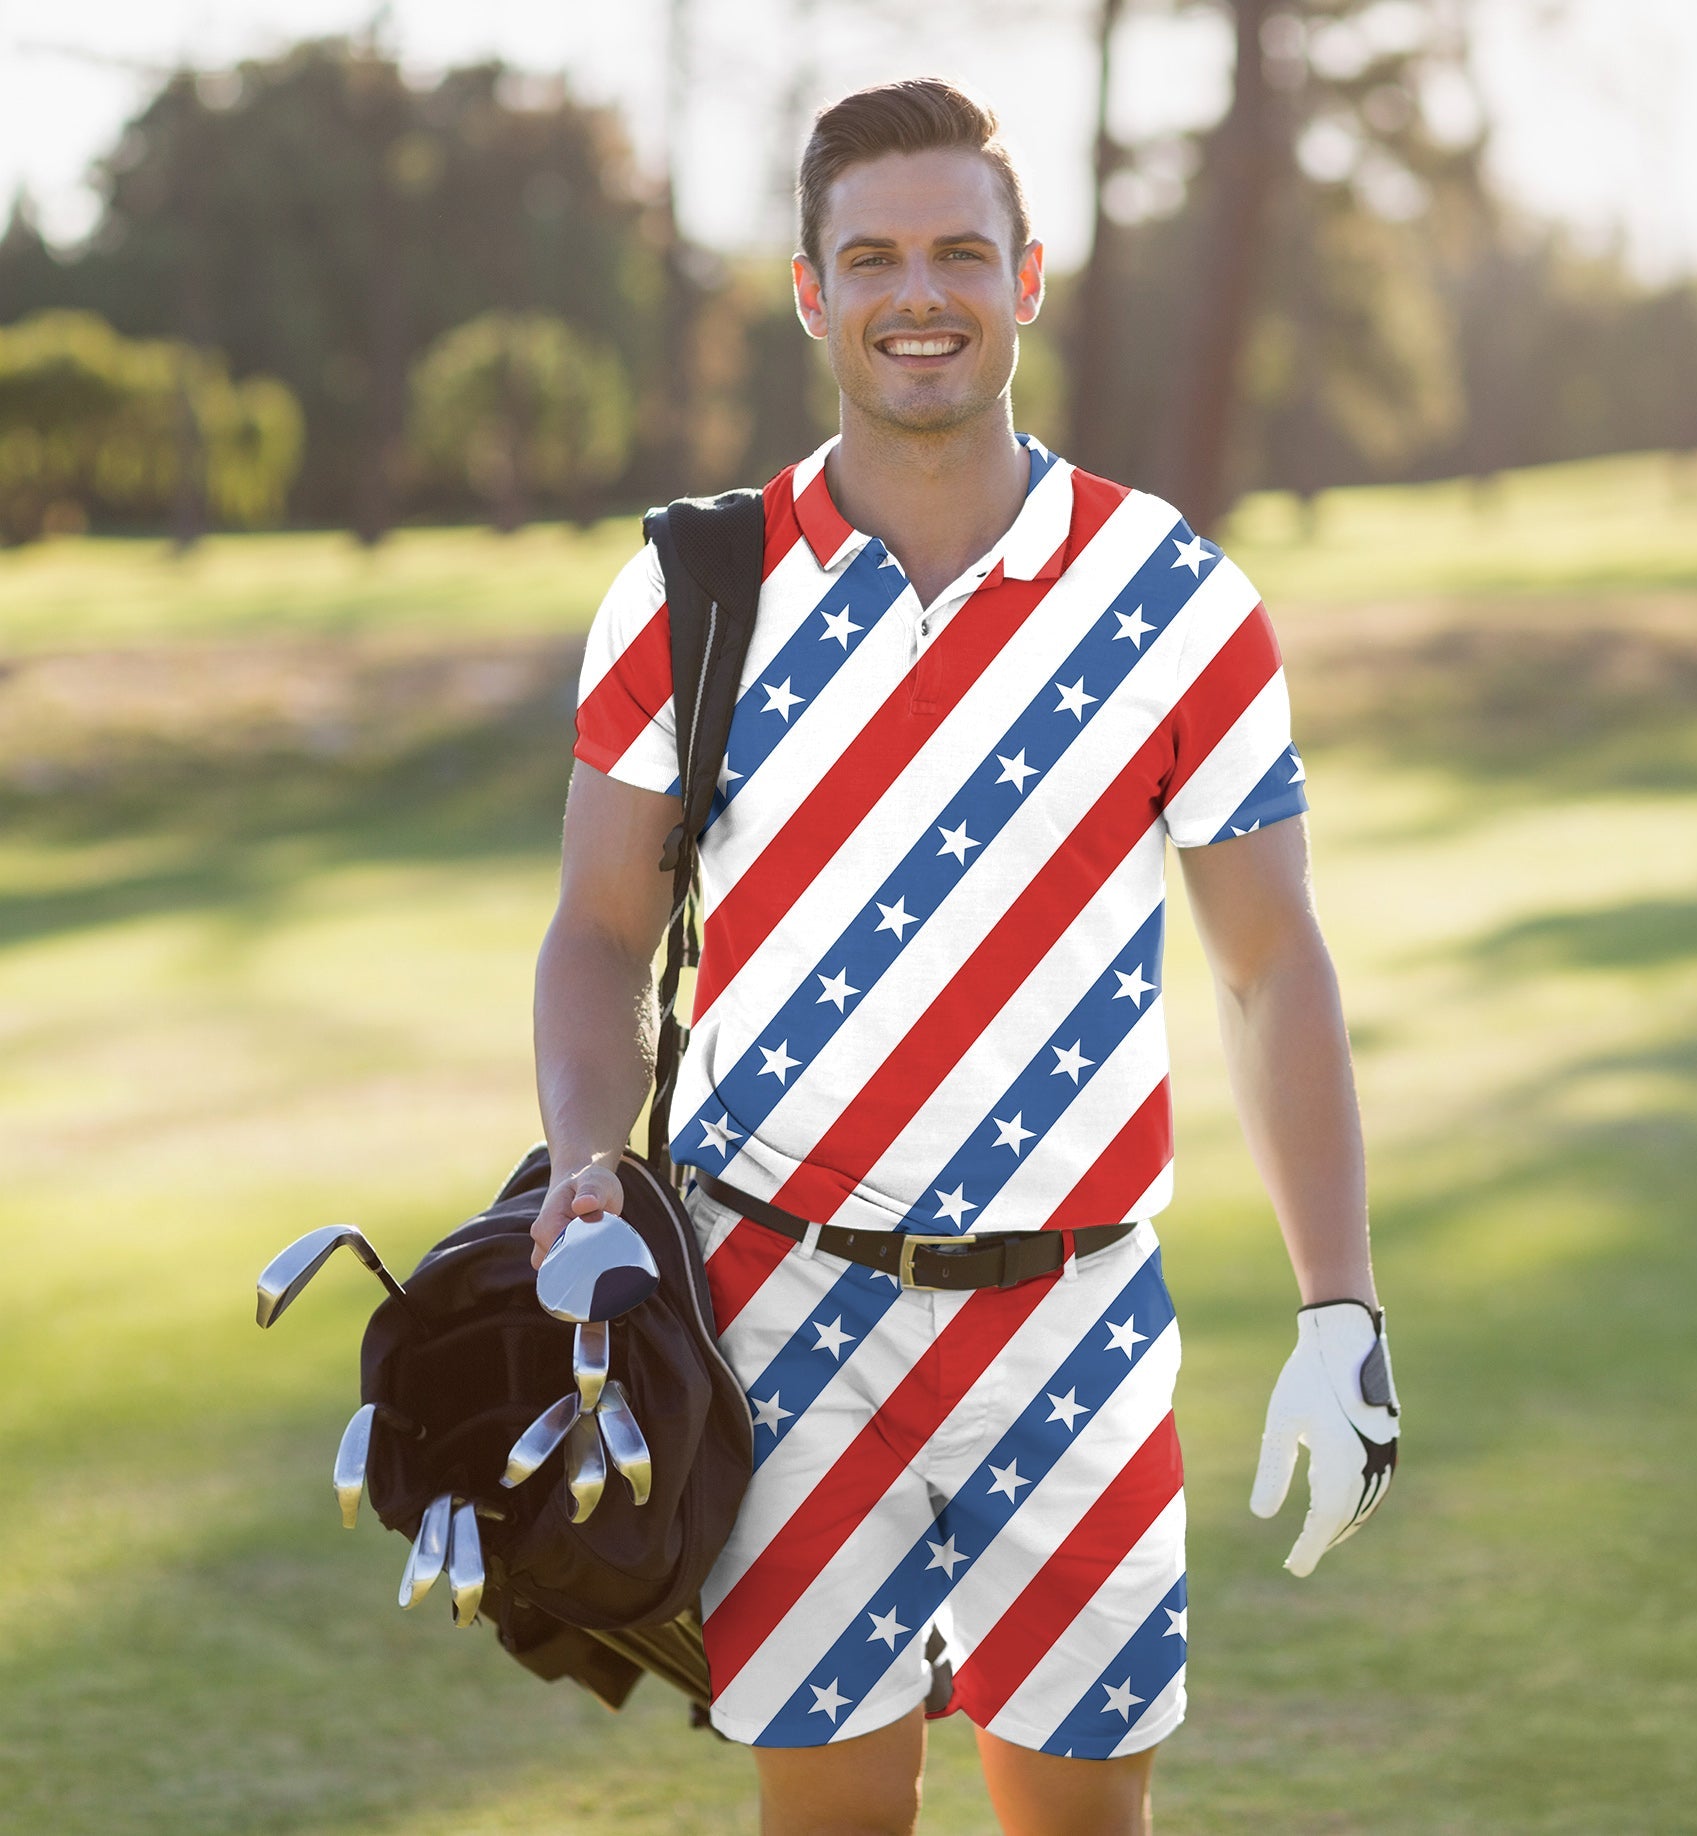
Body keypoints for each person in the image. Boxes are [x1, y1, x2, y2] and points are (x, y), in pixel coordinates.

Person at [530, 77, 1396, 1836]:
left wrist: (1341, 1307)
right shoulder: (697, 586)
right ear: (809, 291)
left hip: (1076, 1315)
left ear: (1030, 276)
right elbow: (601, 929)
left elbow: (1269, 967)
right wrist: (580, 1165)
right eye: (874, 257)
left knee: (1081, 1822)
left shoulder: (1178, 595)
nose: (917, 291)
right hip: (775, 1308)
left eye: (957, 253)